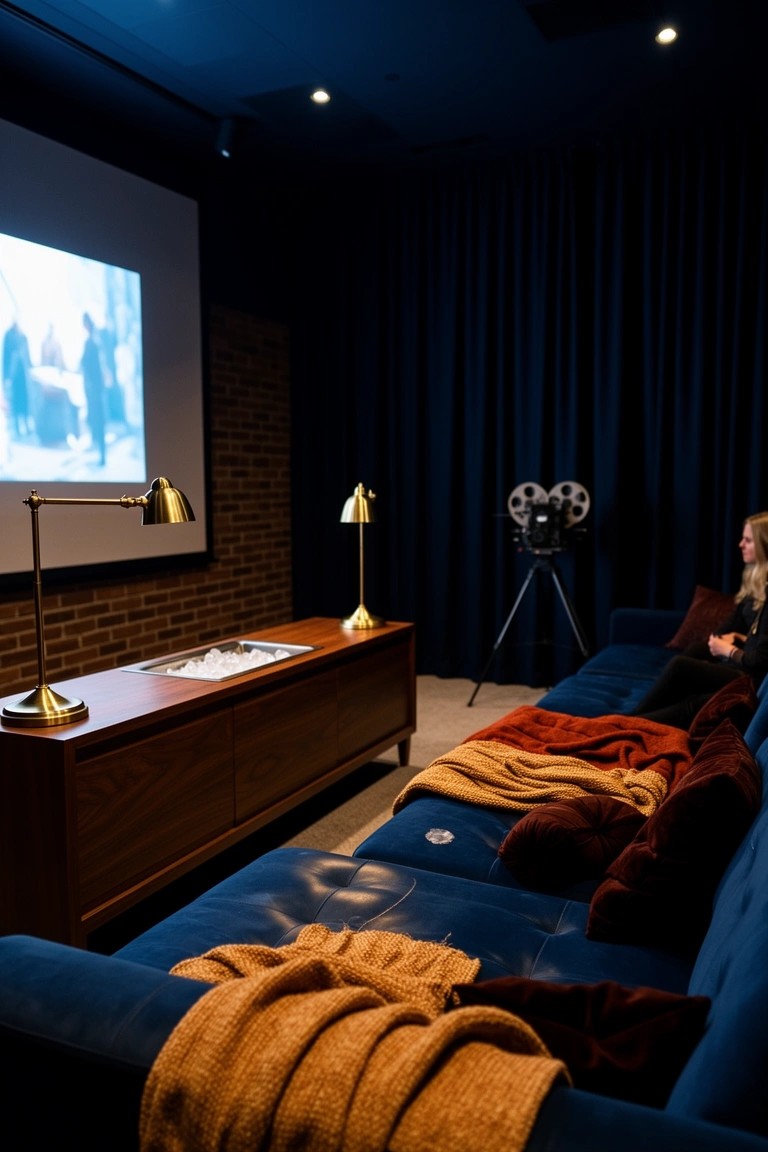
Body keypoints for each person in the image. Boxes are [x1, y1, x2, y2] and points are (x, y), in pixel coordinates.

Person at [633, 512, 768, 729]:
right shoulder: (755, 583)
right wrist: (738, 638)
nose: (740, 544)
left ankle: (633, 719)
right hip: (745, 666)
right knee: (697, 652)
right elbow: (738, 632)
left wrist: (727, 650)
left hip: (749, 679)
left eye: (748, 540)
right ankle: (635, 719)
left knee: (681, 666)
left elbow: (761, 661)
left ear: (764, 546)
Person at [80, 311, 107, 465]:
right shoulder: (92, 342)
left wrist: (94, 386)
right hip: (93, 390)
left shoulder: (93, 343)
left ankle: (102, 455)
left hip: (95, 390)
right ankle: (100, 453)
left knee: (99, 421)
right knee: (95, 421)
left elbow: (96, 368)